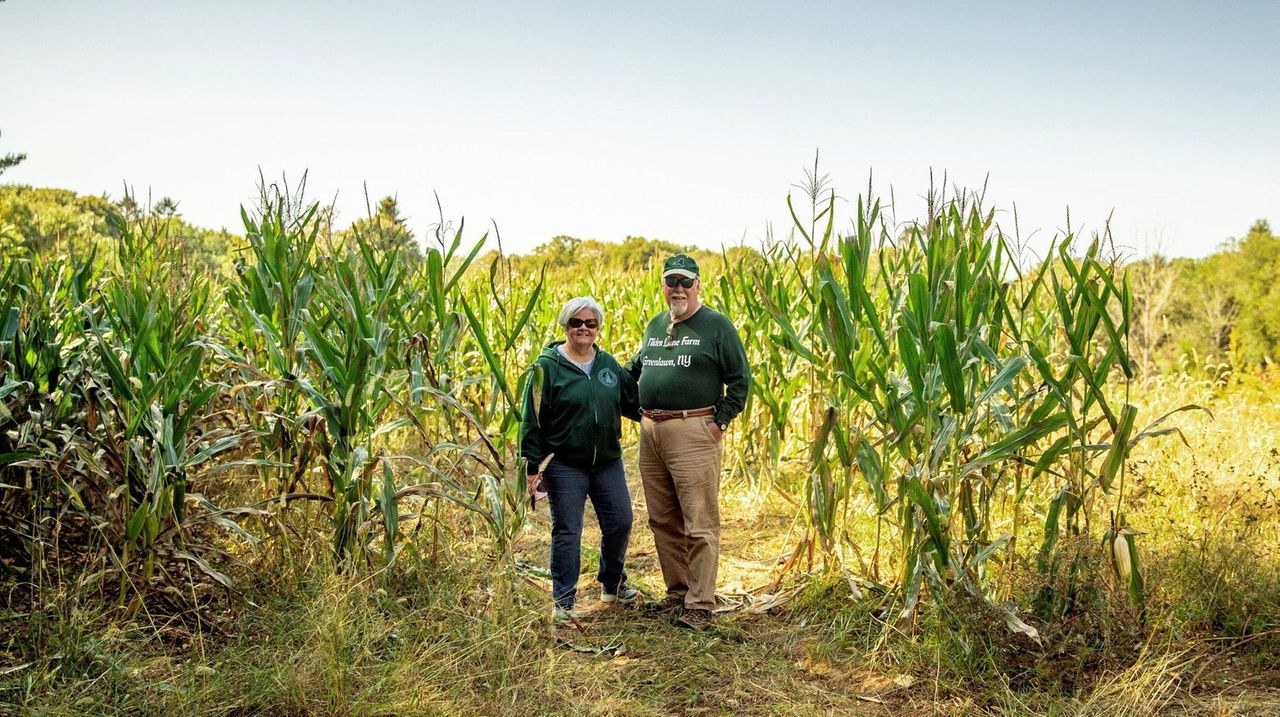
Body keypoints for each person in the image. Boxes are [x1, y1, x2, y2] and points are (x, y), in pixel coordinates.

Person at [625, 253, 750, 631]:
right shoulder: (655, 324)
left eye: (685, 282)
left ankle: (700, 604)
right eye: (671, 282)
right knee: (662, 519)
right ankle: (677, 592)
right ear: (663, 286)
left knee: (699, 522)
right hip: (652, 433)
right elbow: (635, 368)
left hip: (693, 431)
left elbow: (740, 381)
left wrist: (718, 423)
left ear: (697, 284)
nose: (678, 289)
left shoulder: (716, 326)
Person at [520, 296, 640, 625]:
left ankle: (612, 585)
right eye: (577, 323)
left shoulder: (608, 364)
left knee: (620, 522)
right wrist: (532, 468)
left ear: (598, 328)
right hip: (564, 464)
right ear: (565, 326)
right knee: (568, 530)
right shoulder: (546, 367)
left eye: (591, 323)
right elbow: (530, 419)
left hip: (607, 462)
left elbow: (635, 401)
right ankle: (563, 601)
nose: (584, 329)